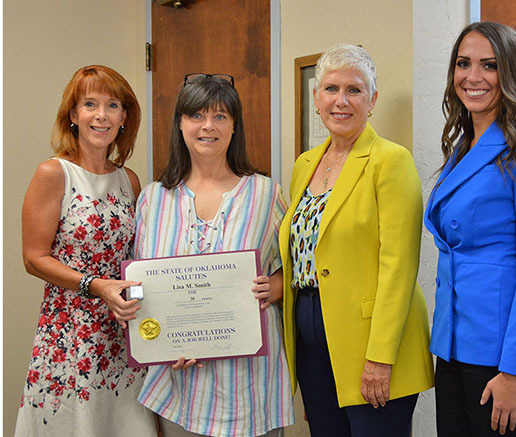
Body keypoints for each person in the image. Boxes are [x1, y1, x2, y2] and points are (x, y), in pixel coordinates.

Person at [279, 44, 434, 437]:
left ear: (373, 99)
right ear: (317, 98)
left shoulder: (390, 160)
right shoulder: (305, 164)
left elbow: (399, 266)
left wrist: (380, 358)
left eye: (355, 89)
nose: (341, 101)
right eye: (331, 89)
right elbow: (303, 251)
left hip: (371, 346)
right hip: (313, 343)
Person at [425, 22, 516, 436]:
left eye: (489, 65)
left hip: (502, 350)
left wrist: (514, 370)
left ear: (511, 72)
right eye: (463, 63)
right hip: (453, 341)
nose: (473, 77)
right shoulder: (461, 148)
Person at [134, 73, 294, 437]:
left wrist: (276, 286)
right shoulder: (153, 198)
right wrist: (157, 342)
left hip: (251, 384)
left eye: (220, 116)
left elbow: (294, 270)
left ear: (235, 126)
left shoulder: (266, 194)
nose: (208, 126)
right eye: (196, 115)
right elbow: (140, 286)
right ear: (180, 123)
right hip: (179, 380)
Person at [15, 65, 157, 436]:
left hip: (121, 331)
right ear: (73, 115)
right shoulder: (53, 172)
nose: (101, 115)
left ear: (125, 117)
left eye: (113, 105)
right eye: (90, 104)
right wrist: (96, 286)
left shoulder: (129, 180)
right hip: (70, 333)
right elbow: (33, 258)